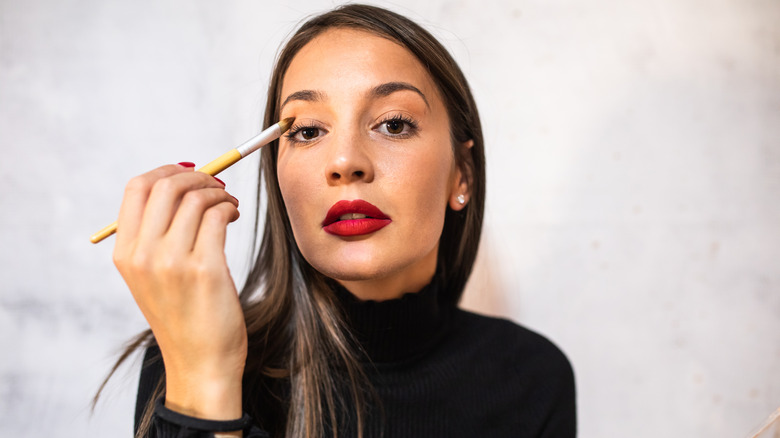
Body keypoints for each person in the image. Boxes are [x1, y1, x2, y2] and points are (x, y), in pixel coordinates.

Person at [104, 4, 576, 437]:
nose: (346, 161)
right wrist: (205, 380)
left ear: (462, 175)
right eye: (308, 131)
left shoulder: (530, 376)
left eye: (393, 123)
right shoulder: (187, 357)